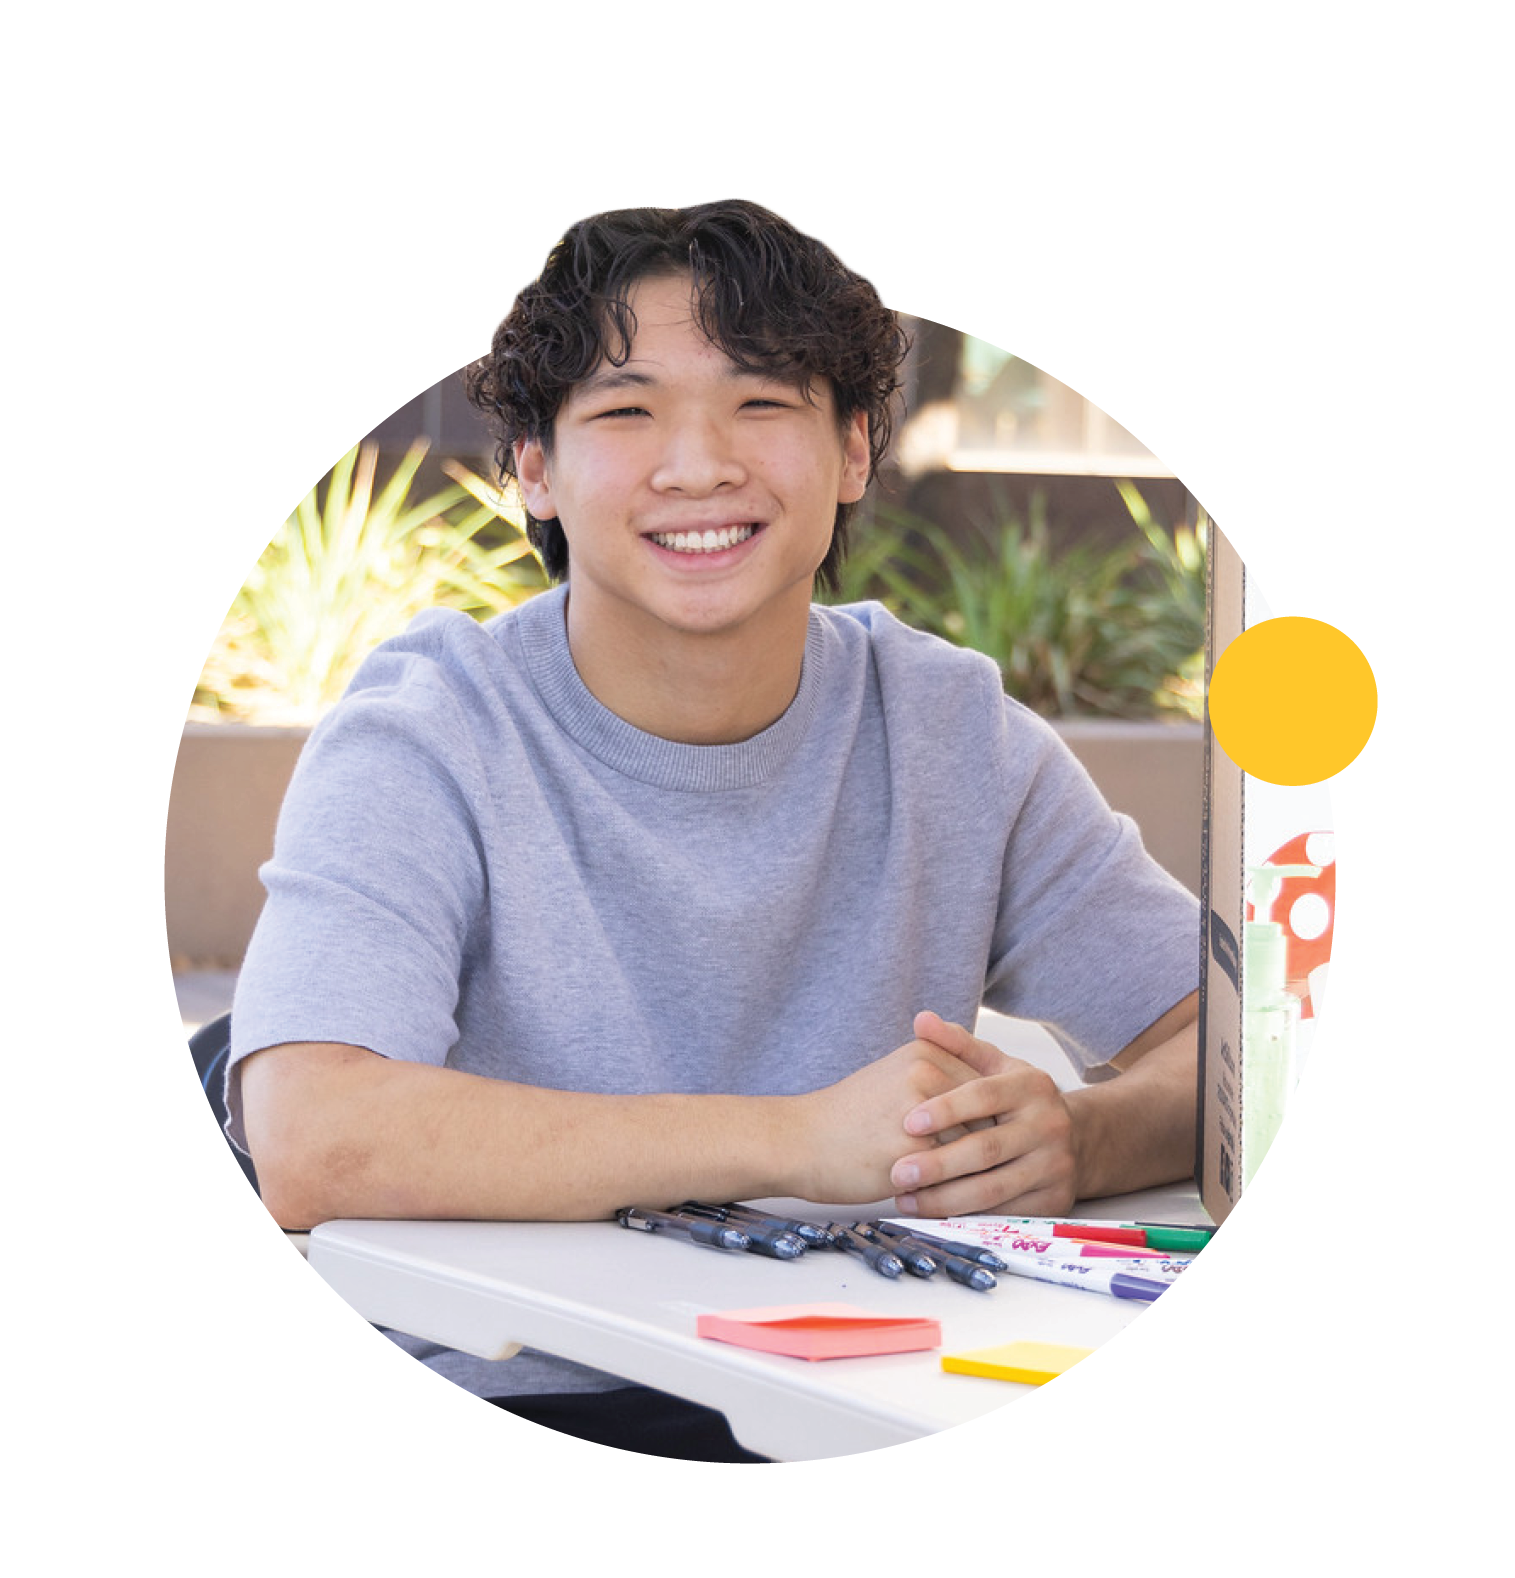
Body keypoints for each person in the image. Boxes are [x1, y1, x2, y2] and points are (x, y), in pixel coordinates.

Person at [227, 198, 1200, 1462]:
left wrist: (1076, 1137)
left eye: (762, 401)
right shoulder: (430, 730)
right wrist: (798, 1139)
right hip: (506, 1401)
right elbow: (312, 1133)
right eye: (627, 412)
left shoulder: (948, 728)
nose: (699, 466)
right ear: (535, 465)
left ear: (854, 450)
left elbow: (1239, 1053)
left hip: (875, 1398)